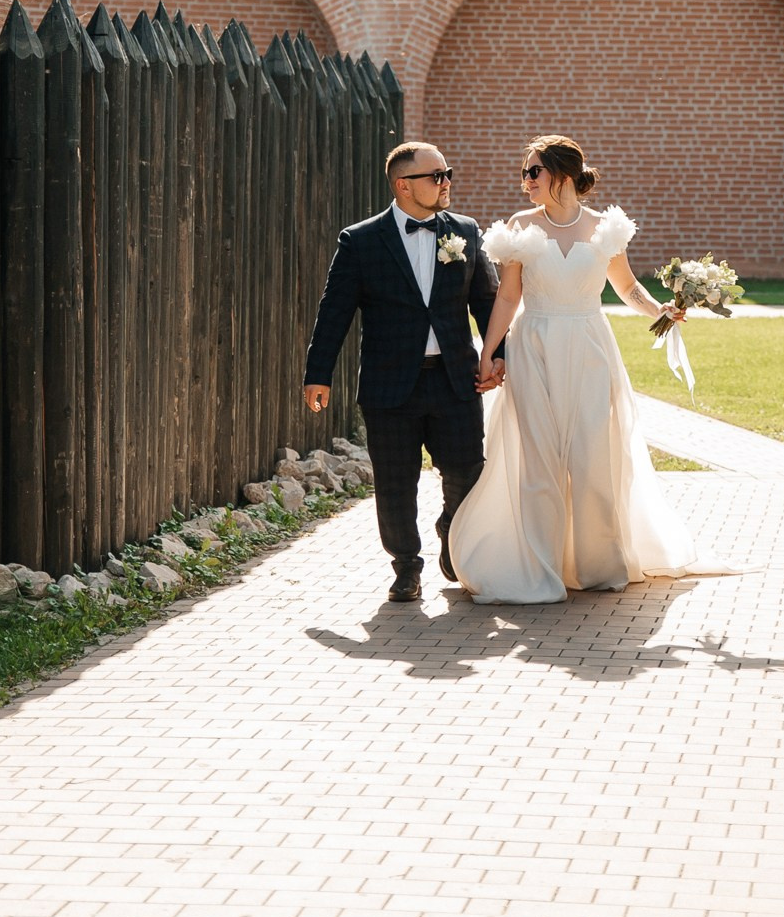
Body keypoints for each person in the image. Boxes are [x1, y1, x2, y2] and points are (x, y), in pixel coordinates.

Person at [446, 135, 726, 604]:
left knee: (592, 457)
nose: (525, 182)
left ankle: (596, 566)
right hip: (534, 347)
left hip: (590, 348)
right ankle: (539, 569)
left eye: (533, 171)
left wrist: (662, 310)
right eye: (524, 173)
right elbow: (509, 298)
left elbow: (627, 286)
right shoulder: (519, 226)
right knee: (538, 463)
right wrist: (489, 351)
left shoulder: (604, 228)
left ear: (562, 173)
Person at [302, 140, 504, 603]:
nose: (446, 182)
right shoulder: (361, 240)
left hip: (455, 379)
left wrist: (499, 354)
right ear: (403, 185)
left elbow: (488, 302)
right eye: (437, 176)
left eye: (447, 173)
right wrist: (319, 373)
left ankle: (453, 534)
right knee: (396, 483)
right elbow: (334, 311)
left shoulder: (466, 233)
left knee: (468, 472)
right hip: (389, 386)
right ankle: (406, 567)